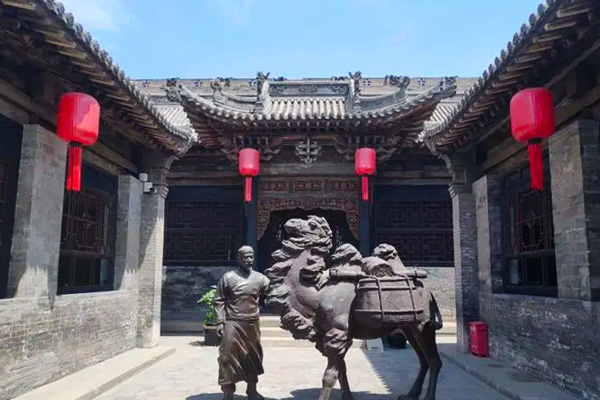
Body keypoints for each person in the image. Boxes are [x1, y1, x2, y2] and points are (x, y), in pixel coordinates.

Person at [214, 246, 270, 400]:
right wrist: (220, 322)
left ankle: (252, 390)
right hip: (232, 323)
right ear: (239, 259)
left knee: (252, 357)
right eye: (245, 257)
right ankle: (228, 392)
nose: (249, 260)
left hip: (251, 324)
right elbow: (219, 300)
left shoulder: (260, 278)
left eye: (251, 257)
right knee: (226, 357)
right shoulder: (228, 277)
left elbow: (273, 292)